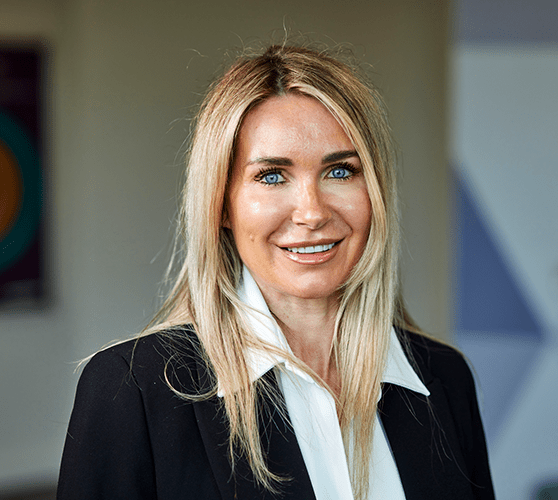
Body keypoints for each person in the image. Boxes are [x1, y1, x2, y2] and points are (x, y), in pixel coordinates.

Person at [57, 44, 495, 500]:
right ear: (221, 204)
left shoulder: (444, 379)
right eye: (271, 176)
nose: (311, 213)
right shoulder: (133, 391)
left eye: (340, 171)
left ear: (376, 193)